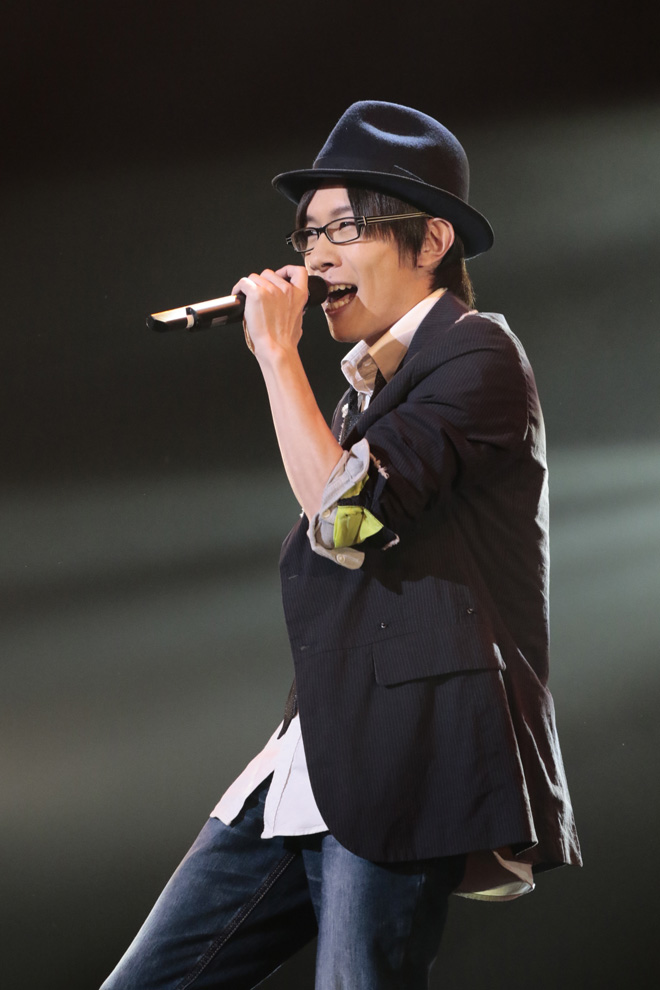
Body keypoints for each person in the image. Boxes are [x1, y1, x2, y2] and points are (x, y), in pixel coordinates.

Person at [101, 101, 581, 990]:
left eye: (344, 229)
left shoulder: (477, 355)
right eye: (307, 233)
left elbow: (347, 521)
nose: (314, 257)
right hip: (318, 748)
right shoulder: (370, 389)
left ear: (430, 239)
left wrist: (276, 357)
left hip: (404, 756)